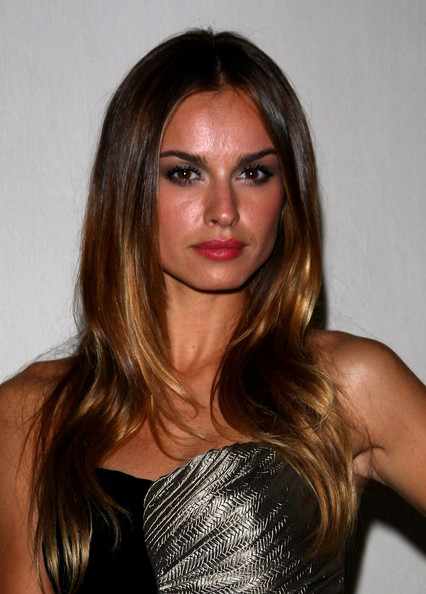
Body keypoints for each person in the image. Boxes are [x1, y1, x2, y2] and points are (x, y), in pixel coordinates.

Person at [0, 29, 424, 594]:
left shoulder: (344, 387)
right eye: (185, 173)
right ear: (128, 190)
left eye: (253, 173)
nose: (224, 210)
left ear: (288, 195)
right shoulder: (31, 414)